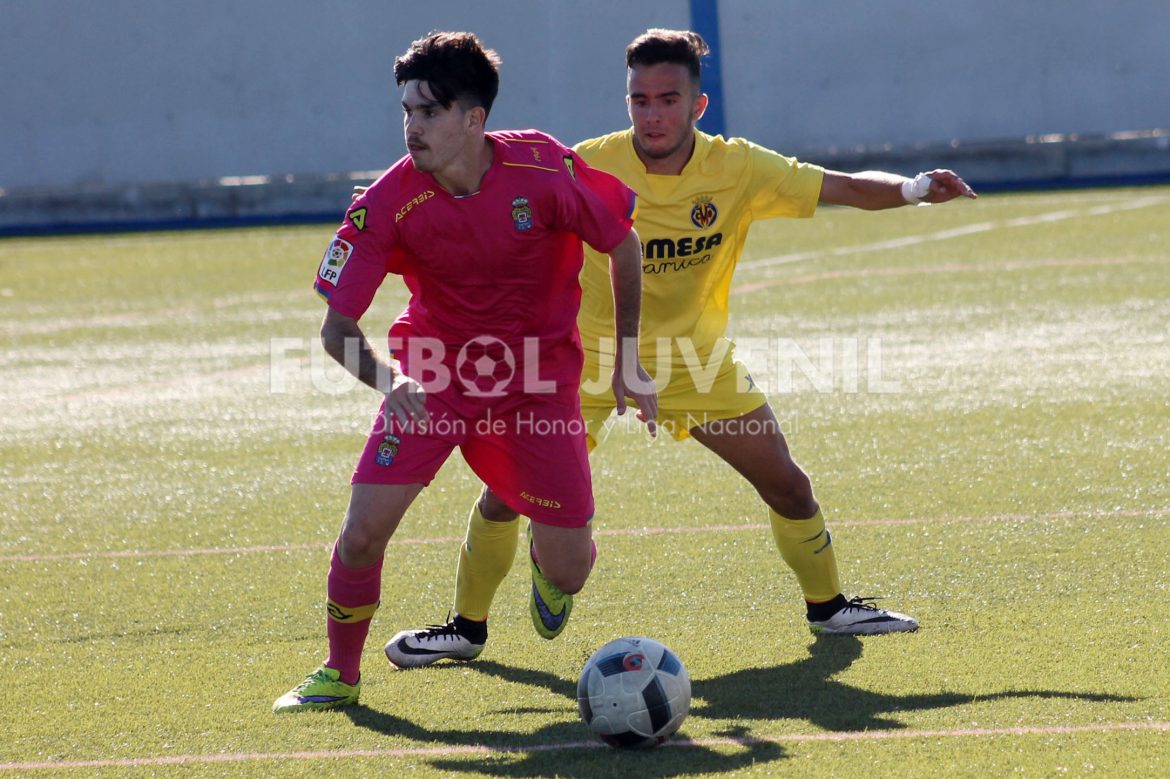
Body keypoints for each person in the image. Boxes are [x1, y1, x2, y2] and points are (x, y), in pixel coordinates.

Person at [384, 28, 978, 668]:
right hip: (575, 362)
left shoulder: (739, 168)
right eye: (638, 99)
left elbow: (842, 187)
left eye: (667, 99)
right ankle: (466, 628)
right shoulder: (587, 162)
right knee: (505, 493)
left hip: (694, 364)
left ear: (698, 105)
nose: (651, 114)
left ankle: (830, 608)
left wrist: (916, 190)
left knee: (788, 485)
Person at [273, 31, 656, 713]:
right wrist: (394, 382)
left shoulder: (542, 168)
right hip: (433, 379)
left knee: (571, 569)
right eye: (406, 111)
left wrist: (628, 358)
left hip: (538, 381)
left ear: (473, 119)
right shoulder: (388, 202)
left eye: (428, 112)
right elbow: (336, 330)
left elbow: (622, 243)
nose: (411, 128)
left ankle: (544, 561)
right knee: (362, 531)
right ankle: (338, 670)